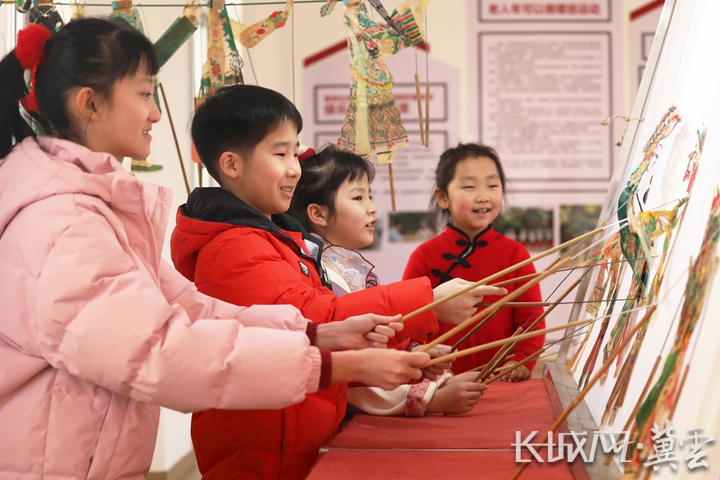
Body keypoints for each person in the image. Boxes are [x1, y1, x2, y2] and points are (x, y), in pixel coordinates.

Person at [0, 20, 430, 479]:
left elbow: (194, 311)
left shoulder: (95, 212)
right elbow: (161, 353)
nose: (155, 114)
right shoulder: (66, 224)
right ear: (90, 104)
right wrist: (331, 363)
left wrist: (318, 336)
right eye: (144, 94)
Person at [170, 85, 504, 479]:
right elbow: (318, 319)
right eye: (280, 154)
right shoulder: (236, 246)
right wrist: (427, 302)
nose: (294, 167)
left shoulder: (277, 236)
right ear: (231, 164)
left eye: (294, 152)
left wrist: (407, 352)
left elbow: (323, 329)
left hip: (294, 431)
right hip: (262, 446)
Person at [288, 144, 490, 417]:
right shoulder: (318, 269)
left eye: (370, 196)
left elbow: (380, 335)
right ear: (319, 214)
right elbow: (353, 354)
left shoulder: (344, 265)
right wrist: (428, 395)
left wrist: (417, 352)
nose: (373, 208)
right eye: (358, 198)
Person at [403, 143, 546, 380]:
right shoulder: (424, 255)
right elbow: (410, 322)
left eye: (492, 185)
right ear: (442, 197)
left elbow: (532, 319)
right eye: (469, 186)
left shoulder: (516, 254)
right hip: (440, 382)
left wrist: (520, 360)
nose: (483, 196)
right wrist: (429, 363)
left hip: (500, 379)